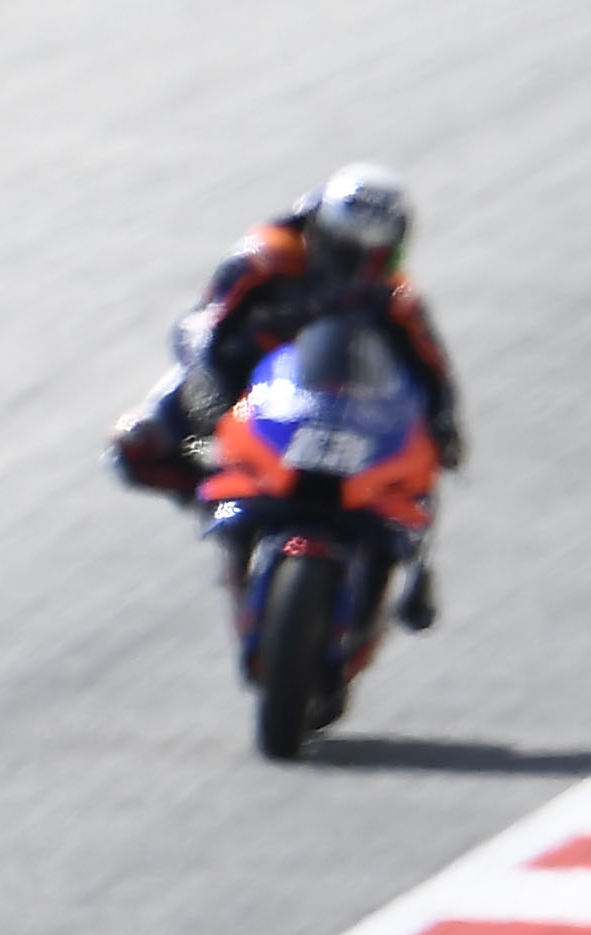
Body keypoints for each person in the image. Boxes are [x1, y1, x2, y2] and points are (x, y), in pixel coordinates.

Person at [108, 164, 462, 632]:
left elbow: (431, 368)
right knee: (137, 442)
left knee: (424, 458)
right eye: (350, 252)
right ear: (322, 231)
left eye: (378, 255)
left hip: (344, 402)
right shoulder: (268, 255)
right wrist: (207, 376)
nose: (362, 270)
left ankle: (416, 567)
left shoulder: (395, 296)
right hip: (241, 387)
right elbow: (204, 324)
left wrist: (445, 424)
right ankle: (219, 490)